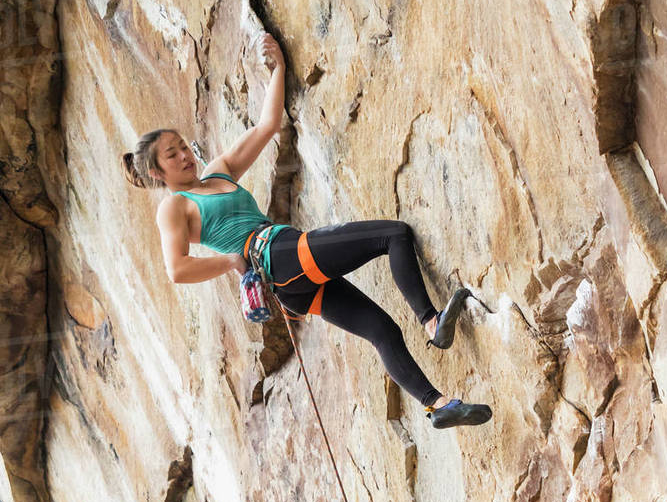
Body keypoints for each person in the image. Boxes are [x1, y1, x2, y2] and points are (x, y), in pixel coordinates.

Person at [121, 33, 492, 429]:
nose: (184, 155)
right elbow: (176, 269)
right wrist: (231, 260)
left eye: (183, 146)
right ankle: (432, 322)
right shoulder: (173, 207)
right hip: (278, 255)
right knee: (394, 235)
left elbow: (268, 125)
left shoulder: (218, 171)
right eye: (172, 155)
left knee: (380, 328)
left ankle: (439, 405)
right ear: (157, 173)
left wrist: (278, 67)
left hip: (290, 283)